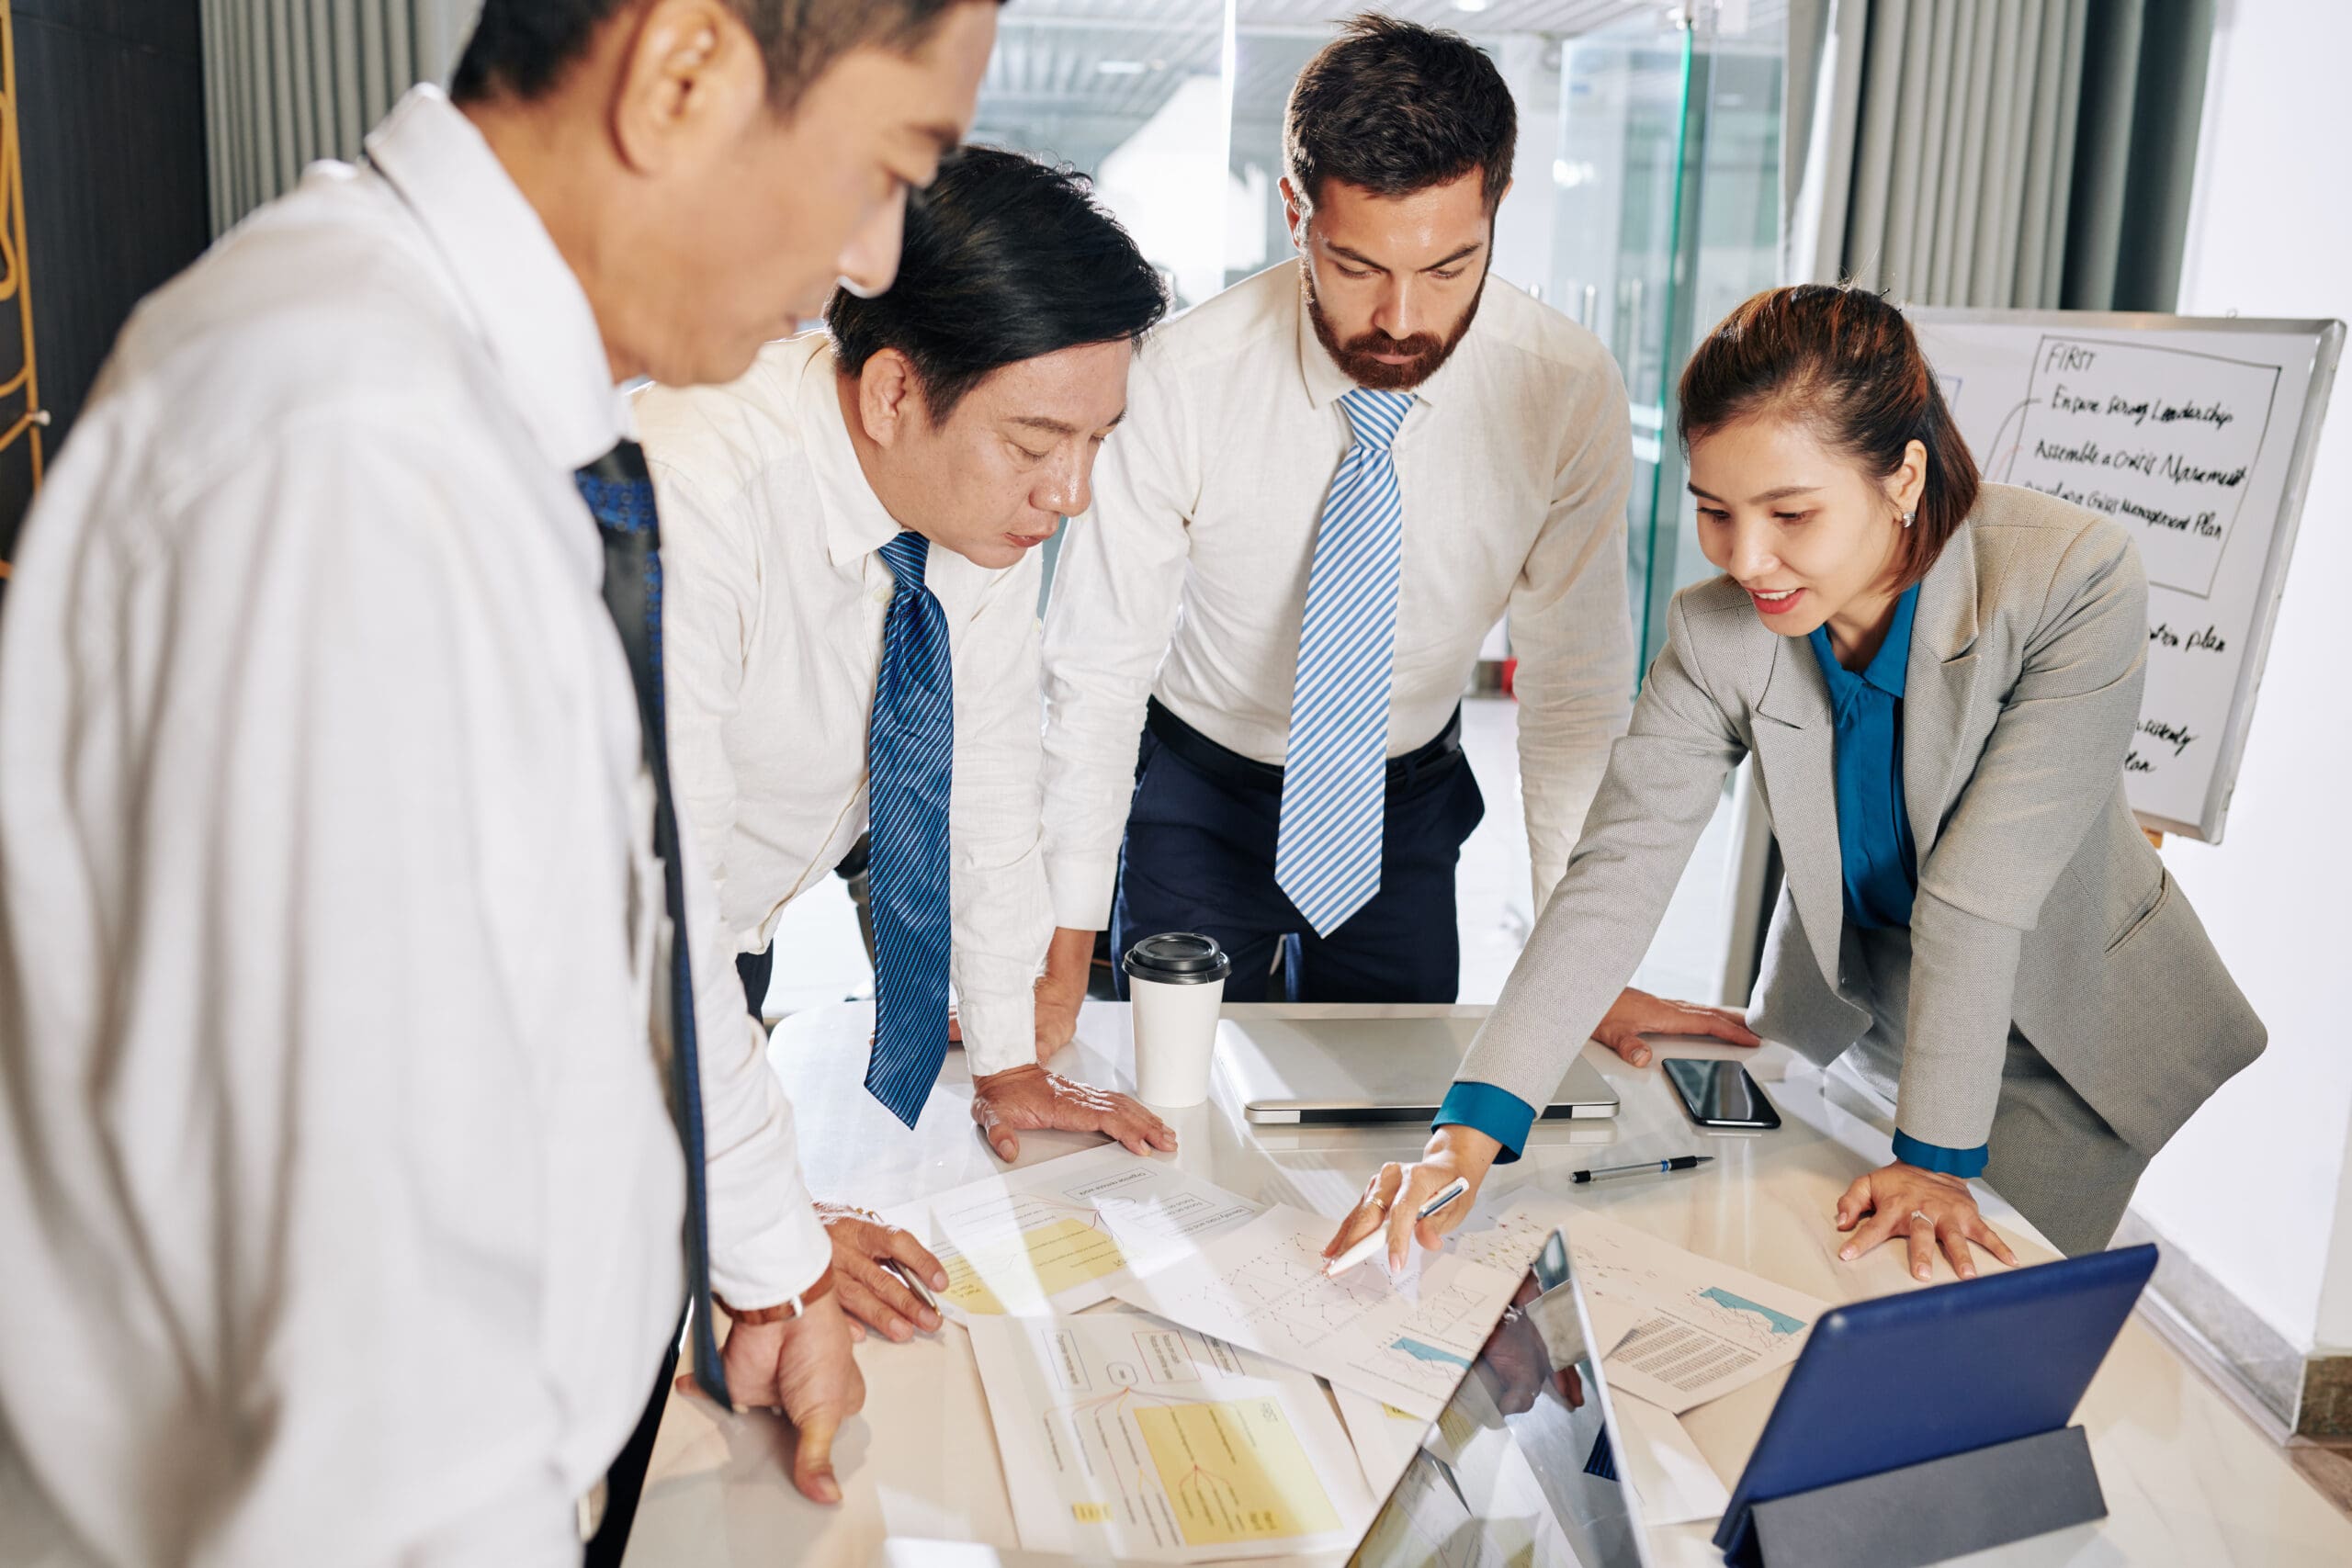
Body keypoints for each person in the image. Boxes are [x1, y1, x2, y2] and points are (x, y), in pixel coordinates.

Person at [0, 2, 1001, 1563]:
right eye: (887, 169)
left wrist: (759, 1263)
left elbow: (618, 949)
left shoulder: (473, 407)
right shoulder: (349, 461)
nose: (875, 261)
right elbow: (375, 1367)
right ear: (681, 81)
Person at [1324, 284, 2267, 1280]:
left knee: (1953, 1319)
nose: (1747, 558)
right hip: (1858, 1020)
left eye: (1790, 513)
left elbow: (1977, 897)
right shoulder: (1714, 627)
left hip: (2061, 1040)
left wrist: (1933, 1159)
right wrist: (1462, 1140)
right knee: (1797, 1302)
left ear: (1903, 477)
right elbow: (1616, 874)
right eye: (1714, 512)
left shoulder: (2069, 579)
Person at [1031, 15, 1754, 1061]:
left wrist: (1588, 966)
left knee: (1383, 1101)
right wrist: (1057, 947)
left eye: (1450, 268)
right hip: (1197, 787)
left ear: (1496, 207)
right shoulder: (1181, 381)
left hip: (1401, 804)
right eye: (1357, 265)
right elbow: (1094, 671)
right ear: (1295, 215)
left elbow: (1574, 691)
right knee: (1176, 1096)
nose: (1402, 318)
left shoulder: (1563, 387)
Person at [637, 145, 1174, 1348]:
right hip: (592, 961)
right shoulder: (694, 503)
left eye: (1097, 441)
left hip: (728, 930)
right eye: (1037, 445)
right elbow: (644, 946)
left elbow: (981, 778)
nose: (1072, 494)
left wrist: (1004, 1051)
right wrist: (780, 1248)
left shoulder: (956, 506)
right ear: (891, 394)